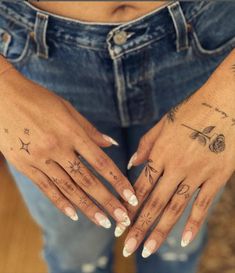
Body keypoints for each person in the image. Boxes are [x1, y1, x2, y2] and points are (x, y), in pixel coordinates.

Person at [0, 1, 234, 273]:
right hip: (31, 61)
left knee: (175, 234)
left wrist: (228, 98)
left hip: (204, 42)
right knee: (77, 247)